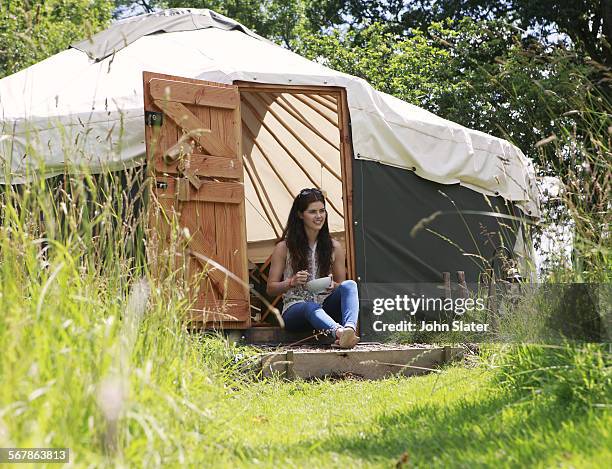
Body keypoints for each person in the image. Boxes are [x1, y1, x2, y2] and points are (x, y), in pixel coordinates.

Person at [266, 188, 360, 349]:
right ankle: (340, 334)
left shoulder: (334, 247)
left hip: (325, 308)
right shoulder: (284, 248)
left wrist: (333, 285)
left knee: (350, 285)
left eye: (322, 211)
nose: (319, 216)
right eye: (313, 212)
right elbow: (271, 288)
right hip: (295, 311)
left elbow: (341, 286)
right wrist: (291, 282)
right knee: (310, 306)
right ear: (300, 214)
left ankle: (349, 329)